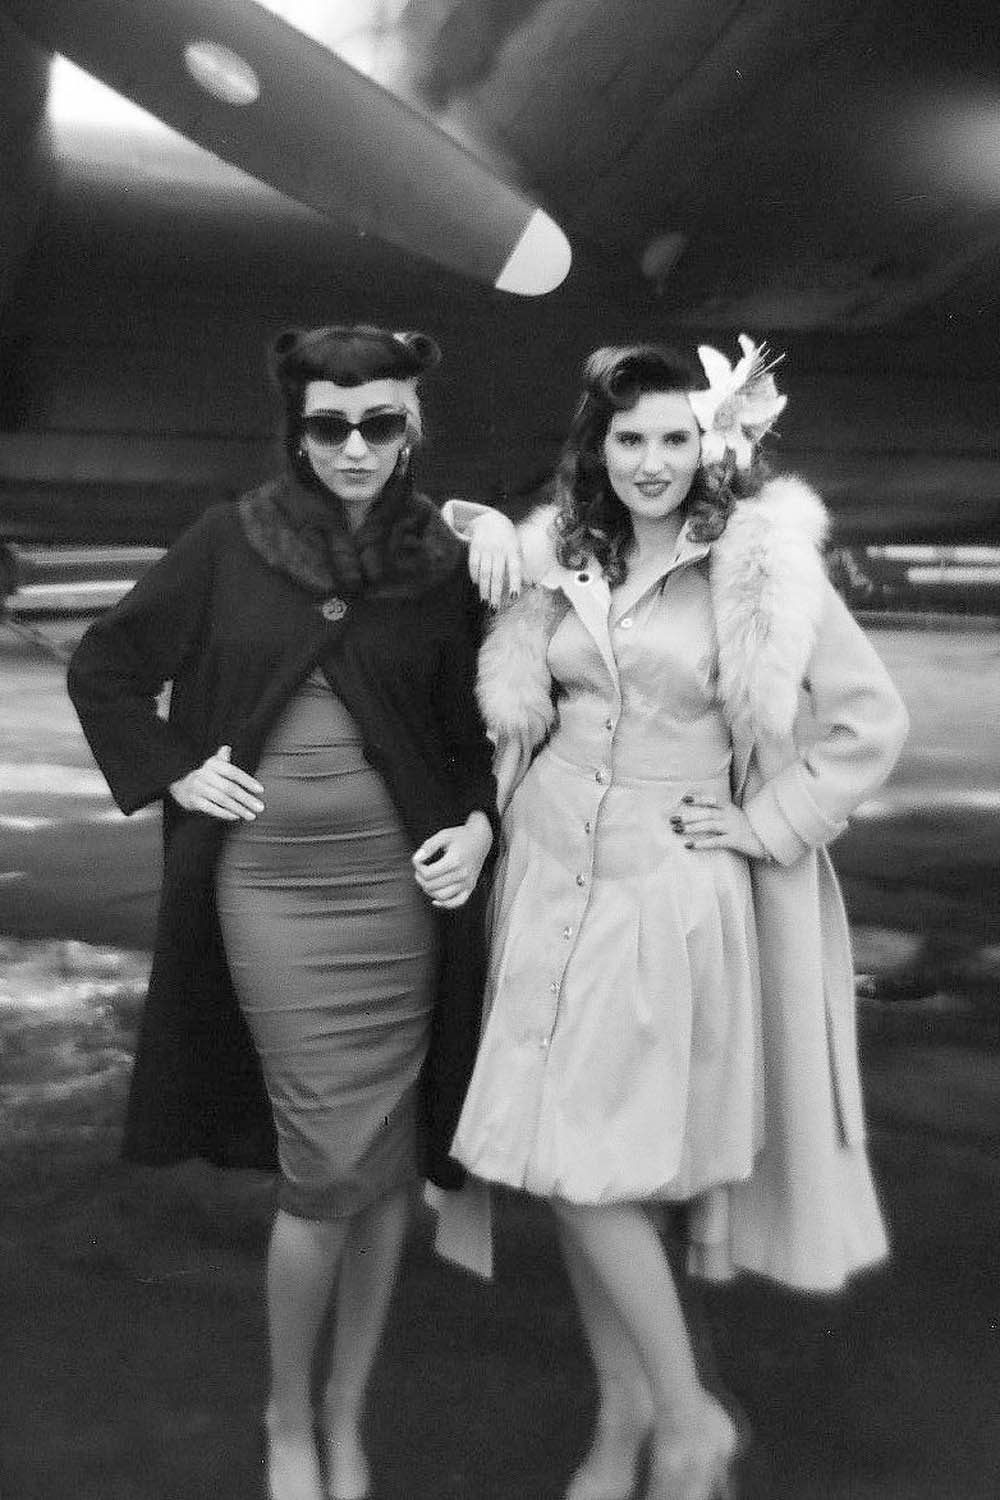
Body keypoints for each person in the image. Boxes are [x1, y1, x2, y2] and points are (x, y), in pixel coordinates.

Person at [445, 338, 909, 1500]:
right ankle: (628, 1420)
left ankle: (692, 1420)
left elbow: (870, 721)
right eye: (628, 438)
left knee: (586, 1172)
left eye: (672, 438)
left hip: (662, 896)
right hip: (546, 877)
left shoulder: (759, 566)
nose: (650, 462)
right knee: (576, 1166)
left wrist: (767, 823)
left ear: (712, 446)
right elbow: (496, 652)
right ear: (595, 448)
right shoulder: (564, 548)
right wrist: (491, 534)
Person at [67, 324, 497, 1500]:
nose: (355, 446)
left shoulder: (444, 562)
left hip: (400, 898)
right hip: (269, 896)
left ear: (410, 427)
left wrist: (479, 825)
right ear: (297, 431)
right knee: (325, 1170)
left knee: (386, 1167)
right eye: (329, 424)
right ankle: (287, 1418)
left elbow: (474, 733)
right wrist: (174, 769)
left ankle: (346, 1412)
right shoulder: (231, 541)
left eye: (379, 423)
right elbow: (106, 667)